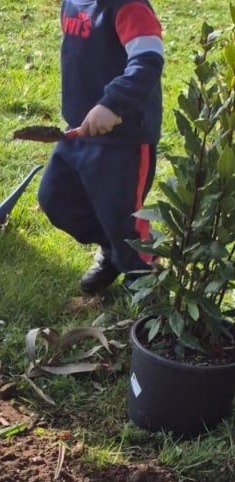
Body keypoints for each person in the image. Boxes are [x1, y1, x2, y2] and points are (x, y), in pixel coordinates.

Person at [37, 0, 164, 296]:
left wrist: (113, 104)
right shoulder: (72, 3)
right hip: (77, 131)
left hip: (124, 140)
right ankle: (114, 251)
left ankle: (144, 277)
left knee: (122, 216)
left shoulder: (127, 6)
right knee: (55, 199)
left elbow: (148, 60)